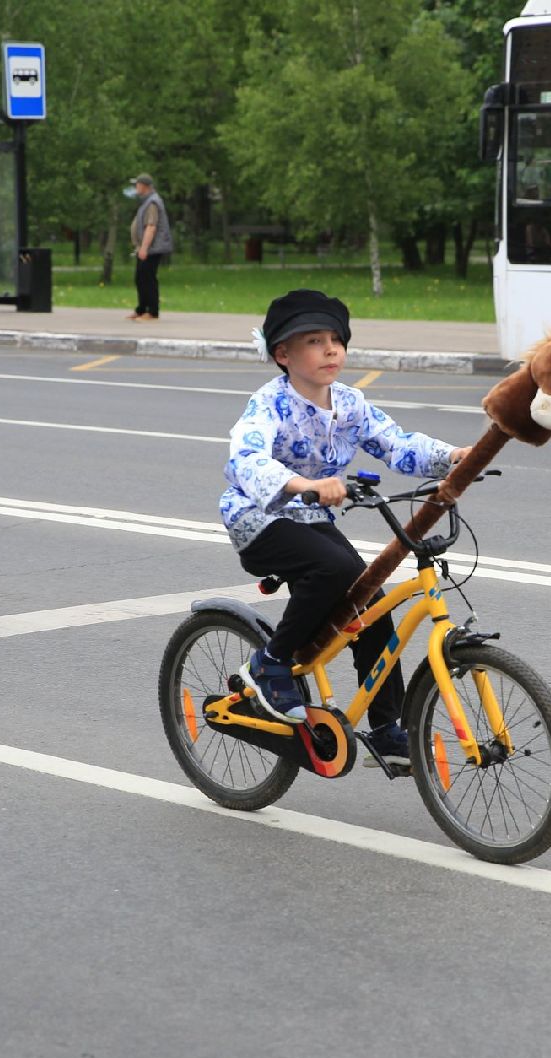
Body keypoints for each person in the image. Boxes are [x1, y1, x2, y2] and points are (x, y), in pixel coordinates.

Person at [220, 290, 471, 766]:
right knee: (335, 569)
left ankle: (386, 727)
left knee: (370, 602)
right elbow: (245, 459)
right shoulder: (269, 403)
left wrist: (454, 456)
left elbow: (397, 444)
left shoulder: (351, 404)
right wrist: (304, 485)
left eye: (336, 339)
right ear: (283, 354)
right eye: (314, 341)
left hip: (312, 519)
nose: (331, 349)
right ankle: (270, 663)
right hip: (259, 517)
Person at [127, 172, 173, 321]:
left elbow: (151, 227)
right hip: (146, 248)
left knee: (148, 279)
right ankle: (141, 309)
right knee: (140, 278)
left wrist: (144, 248)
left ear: (144, 186)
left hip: (152, 248)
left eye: (137, 184)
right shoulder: (146, 201)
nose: (136, 187)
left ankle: (152, 312)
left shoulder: (152, 203)